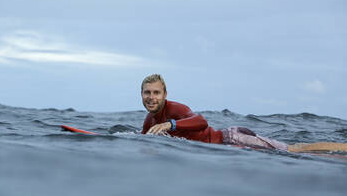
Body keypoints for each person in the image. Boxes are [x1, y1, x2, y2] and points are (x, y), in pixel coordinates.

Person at [141, 74, 347, 153]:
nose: (152, 97)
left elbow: (201, 121)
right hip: (228, 150)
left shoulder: (175, 109)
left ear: (165, 94)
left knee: (296, 150)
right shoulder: (149, 120)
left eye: (156, 93)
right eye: (147, 93)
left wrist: (171, 125)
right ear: (141, 95)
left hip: (230, 139)